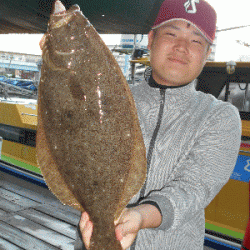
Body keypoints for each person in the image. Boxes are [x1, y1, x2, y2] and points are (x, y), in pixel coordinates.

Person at [73, 0, 241, 249]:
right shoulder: (107, 102)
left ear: (207, 54)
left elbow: (193, 189)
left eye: (196, 40)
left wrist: (140, 216)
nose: (181, 47)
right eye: (171, 33)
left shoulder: (220, 116)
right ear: (151, 40)